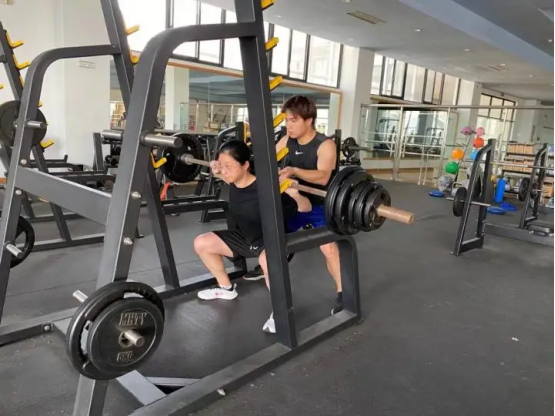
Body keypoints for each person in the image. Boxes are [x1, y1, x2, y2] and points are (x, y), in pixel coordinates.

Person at [194, 140, 312, 332]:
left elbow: (306, 208)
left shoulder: (266, 190)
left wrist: (295, 194)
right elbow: (224, 174)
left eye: (229, 166)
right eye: (222, 165)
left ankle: (282, 311)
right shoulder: (234, 181)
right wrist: (217, 169)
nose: (225, 170)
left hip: (272, 240)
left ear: (245, 165)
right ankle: (226, 289)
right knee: (202, 243)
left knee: (267, 261)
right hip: (245, 238)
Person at [275, 95, 344, 315]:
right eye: (287, 120)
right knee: (269, 232)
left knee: (328, 248)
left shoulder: (325, 145)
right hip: (293, 200)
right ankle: (269, 261)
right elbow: (267, 159)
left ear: (309, 120)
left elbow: (323, 177)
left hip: (319, 204)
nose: (289, 125)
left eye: (293, 120)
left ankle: (344, 292)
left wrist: (294, 170)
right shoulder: (287, 139)